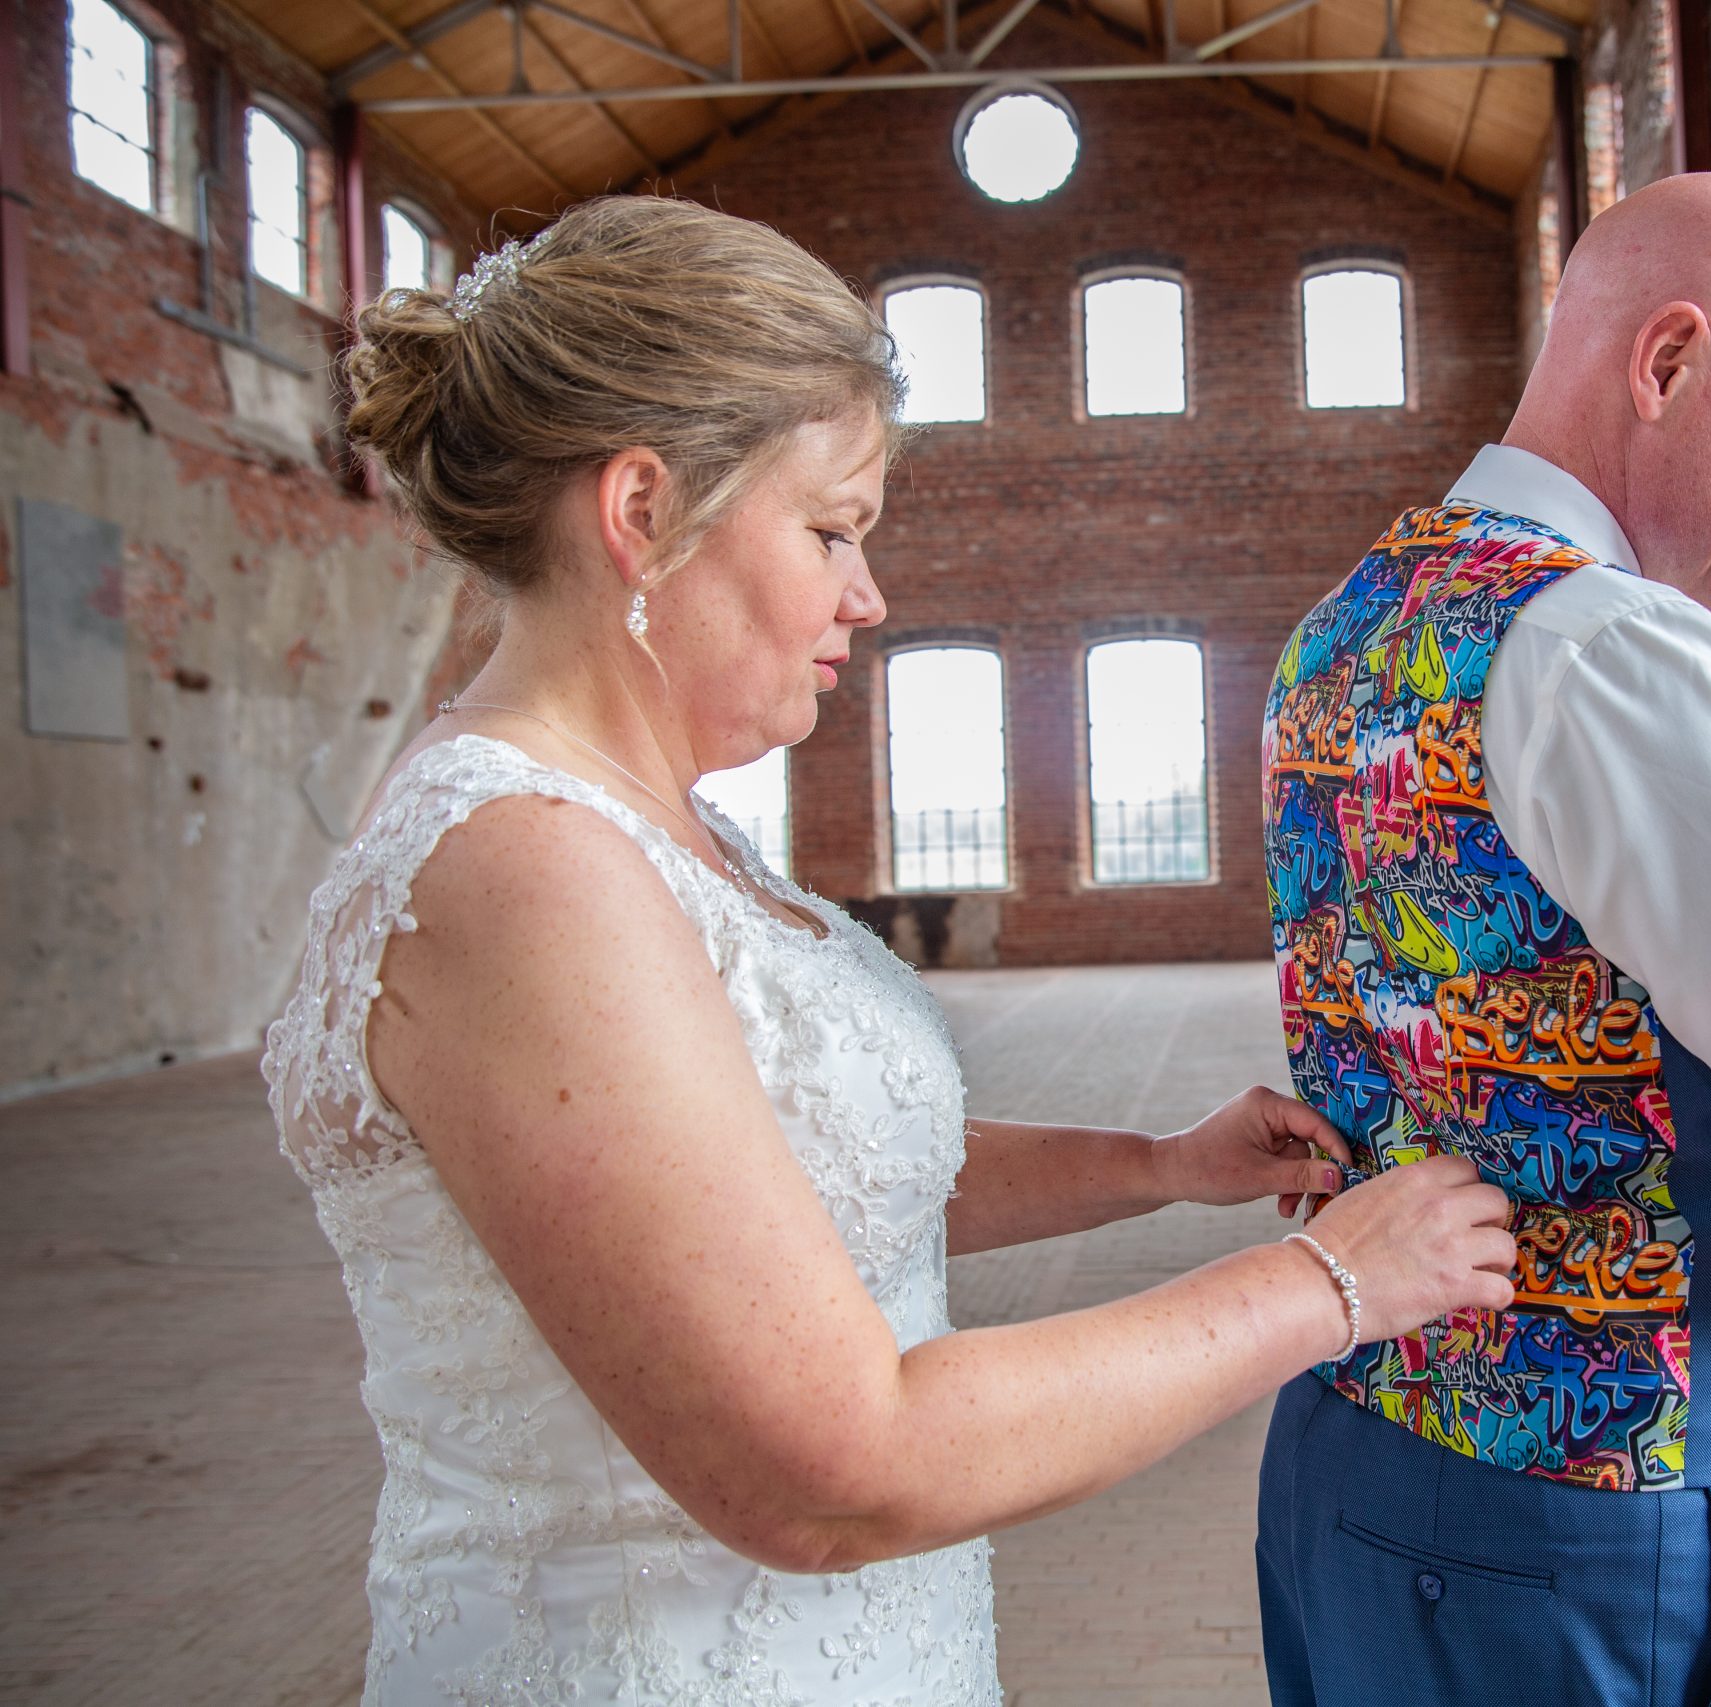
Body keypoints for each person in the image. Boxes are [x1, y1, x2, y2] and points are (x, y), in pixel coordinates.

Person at [264, 194, 1518, 1706]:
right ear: (642, 509)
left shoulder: (650, 826)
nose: (868, 595)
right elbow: (835, 1472)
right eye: (830, 530)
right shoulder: (527, 870)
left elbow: (771, 1188)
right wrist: (1329, 1286)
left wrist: (1156, 1166)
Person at [1255, 171, 1711, 1706]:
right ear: (1668, 363)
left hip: (1343, 1454)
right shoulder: (1621, 650)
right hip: (1570, 1530)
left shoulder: (1339, 625)